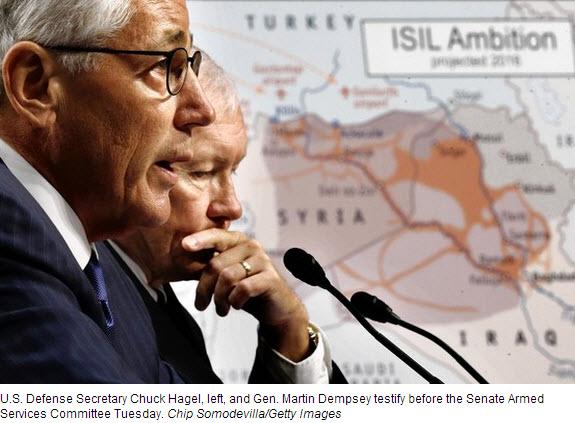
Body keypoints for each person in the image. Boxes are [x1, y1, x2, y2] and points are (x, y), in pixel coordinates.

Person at [0, 0, 215, 382]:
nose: (201, 110)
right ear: (35, 85)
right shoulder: (8, 235)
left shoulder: (104, 270)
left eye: (188, 67)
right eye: (166, 66)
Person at [108, 53, 346, 383]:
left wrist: (289, 333)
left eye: (232, 171)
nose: (232, 208)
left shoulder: (161, 306)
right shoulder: (88, 302)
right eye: (202, 172)